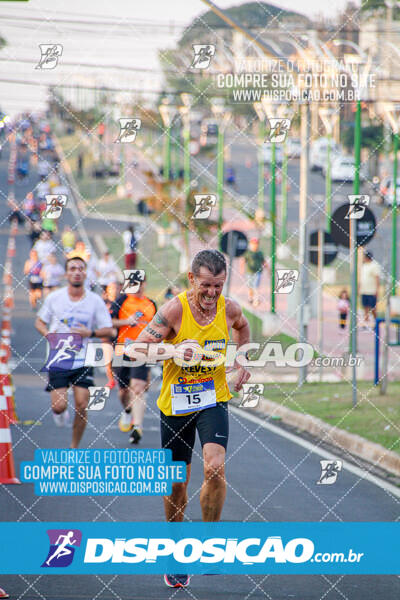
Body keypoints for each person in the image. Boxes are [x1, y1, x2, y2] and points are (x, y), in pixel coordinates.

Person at [131, 249, 251, 589]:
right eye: (205, 286)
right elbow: (135, 348)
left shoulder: (229, 309)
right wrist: (171, 350)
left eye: (218, 285)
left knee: (214, 466)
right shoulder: (174, 310)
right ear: (191, 280)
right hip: (176, 404)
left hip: (213, 398)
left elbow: (243, 330)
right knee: (177, 482)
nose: (212, 293)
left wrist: (242, 363)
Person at [35, 256, 115, 448]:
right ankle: (61, 414)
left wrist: (91, 332)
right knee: (59, 406)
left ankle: (74, 448)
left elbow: (109, 330)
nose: (77, 271)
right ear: (66, 273)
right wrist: (47, 334)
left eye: (80, 268)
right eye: (72, 268)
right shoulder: (55, 298)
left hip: (83, 358)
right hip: (59, 357)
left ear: (85, 273)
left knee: (82, 404)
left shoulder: (95, 301)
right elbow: (39, 321)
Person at [111, 277, 157, 443]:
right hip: (121, 349)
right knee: (123, 391)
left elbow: (158, 331)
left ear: (145, 284)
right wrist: (126, 321)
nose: (137, 287)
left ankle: (137, 427)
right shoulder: (122, 300)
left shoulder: (151, 304)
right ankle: (127, 411)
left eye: (140, 283)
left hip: (142, 351)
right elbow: (108, 321)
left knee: (138, 387)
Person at [244, 238, 267, 307]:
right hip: (249, 272)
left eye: (256, 244)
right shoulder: (248, 252)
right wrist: (241, 269)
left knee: (256, 286)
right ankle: (250, 298)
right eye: (253, 244)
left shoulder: (260, 253)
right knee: (250, 286)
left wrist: (268, 269)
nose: (255, 246)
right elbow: (243, 260)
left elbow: (264, 262)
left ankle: (256, 301)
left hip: (258, 272)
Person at [359, 250, 380, 326]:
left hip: (371, 291)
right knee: (365, 308)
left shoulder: (374, 265)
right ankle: (366, 324)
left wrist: (377, 290)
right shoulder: (364, 266)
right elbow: (362, 278)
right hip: (364, 290)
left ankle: (376, 323)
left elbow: (377, 278)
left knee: (373, 308)